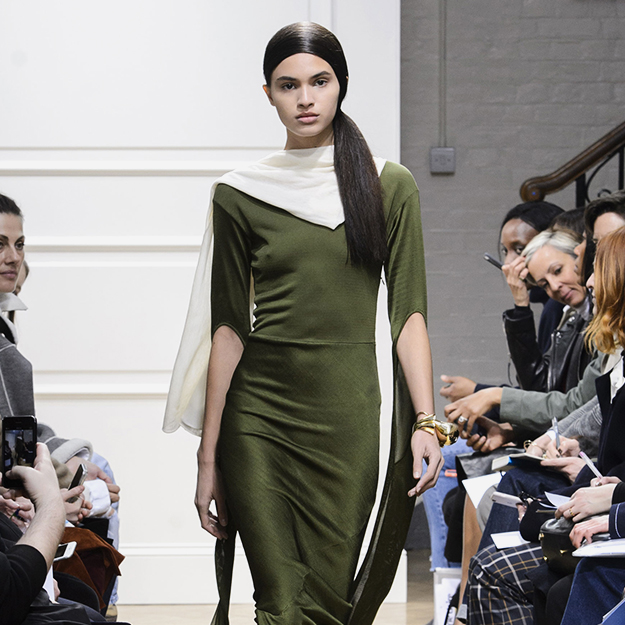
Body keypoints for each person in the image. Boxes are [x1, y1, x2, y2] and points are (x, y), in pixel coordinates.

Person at [163, 21, 449, 625]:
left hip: (347, 419)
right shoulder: (239, 194)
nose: (305, 98)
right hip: (257, 416)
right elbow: (227, 331)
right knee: (280, 601)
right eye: (288, 85)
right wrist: (208, 457)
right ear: (267, 93)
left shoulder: (388, 185)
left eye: (320, 81)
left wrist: (427, 420)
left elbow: (409, 314)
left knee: (325, 601)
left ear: (341, 84)